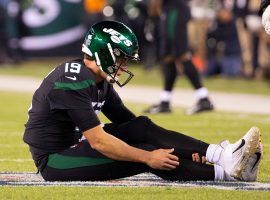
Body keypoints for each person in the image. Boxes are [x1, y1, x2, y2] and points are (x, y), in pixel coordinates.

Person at [23, 21, 262, 182]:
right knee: (147, 154)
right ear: (103, 52)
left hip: (75, 144)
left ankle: (220, 154)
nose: (124, 65)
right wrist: (147, 157)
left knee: (142, 127)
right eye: (121, 58)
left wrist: (191, 152)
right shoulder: (72, 79)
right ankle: (226, 173)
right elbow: (99, 142)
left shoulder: (98, 80)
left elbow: (134, 127)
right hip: (55, 159)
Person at [143, 0, 214, 115]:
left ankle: (204, 99)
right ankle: (165, 101)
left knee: (182, 55)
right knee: (168, 57)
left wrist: (154, 11)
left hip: (175, 11)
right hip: (172, 10)